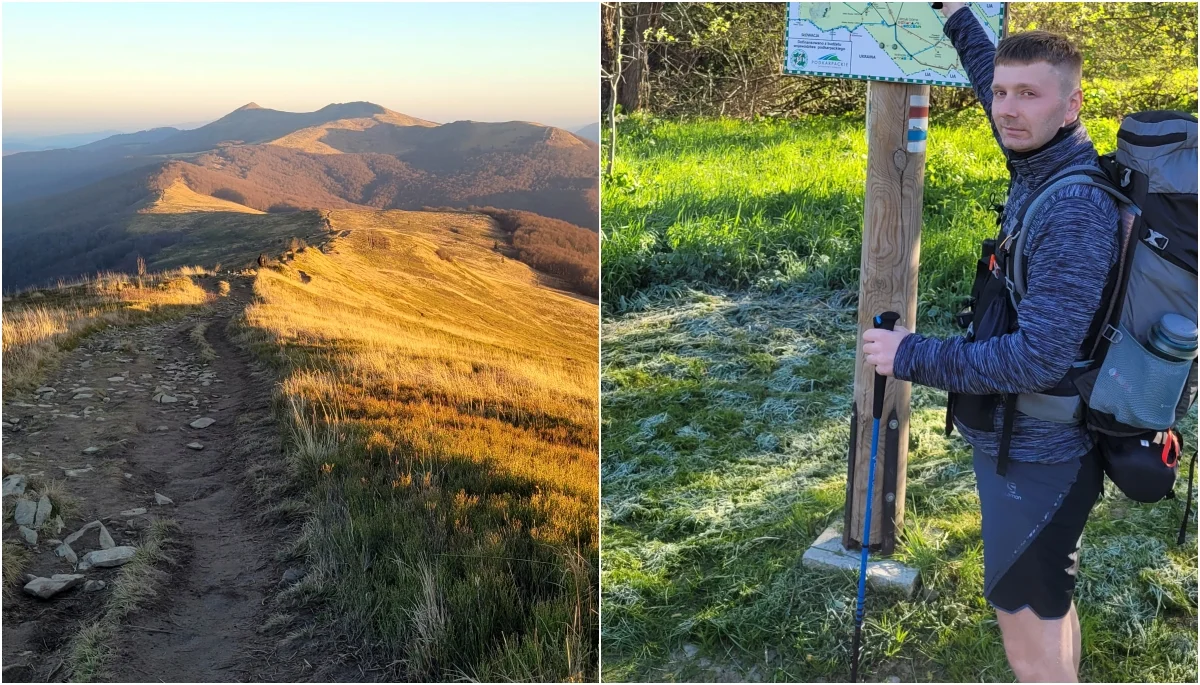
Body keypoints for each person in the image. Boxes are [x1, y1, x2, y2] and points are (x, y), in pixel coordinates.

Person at [861, 3, 1120, 682]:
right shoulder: (1043, 162)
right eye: (1002, 93)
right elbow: (992, 81)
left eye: (1029, 94)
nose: (1007, 108)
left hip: (1041, 457)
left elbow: (1038, 356)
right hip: (1042, 447)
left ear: (1072, 105)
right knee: (1049, 602)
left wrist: (911, 354)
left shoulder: (1071, 209)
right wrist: (956, 16)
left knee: (1027, 636)